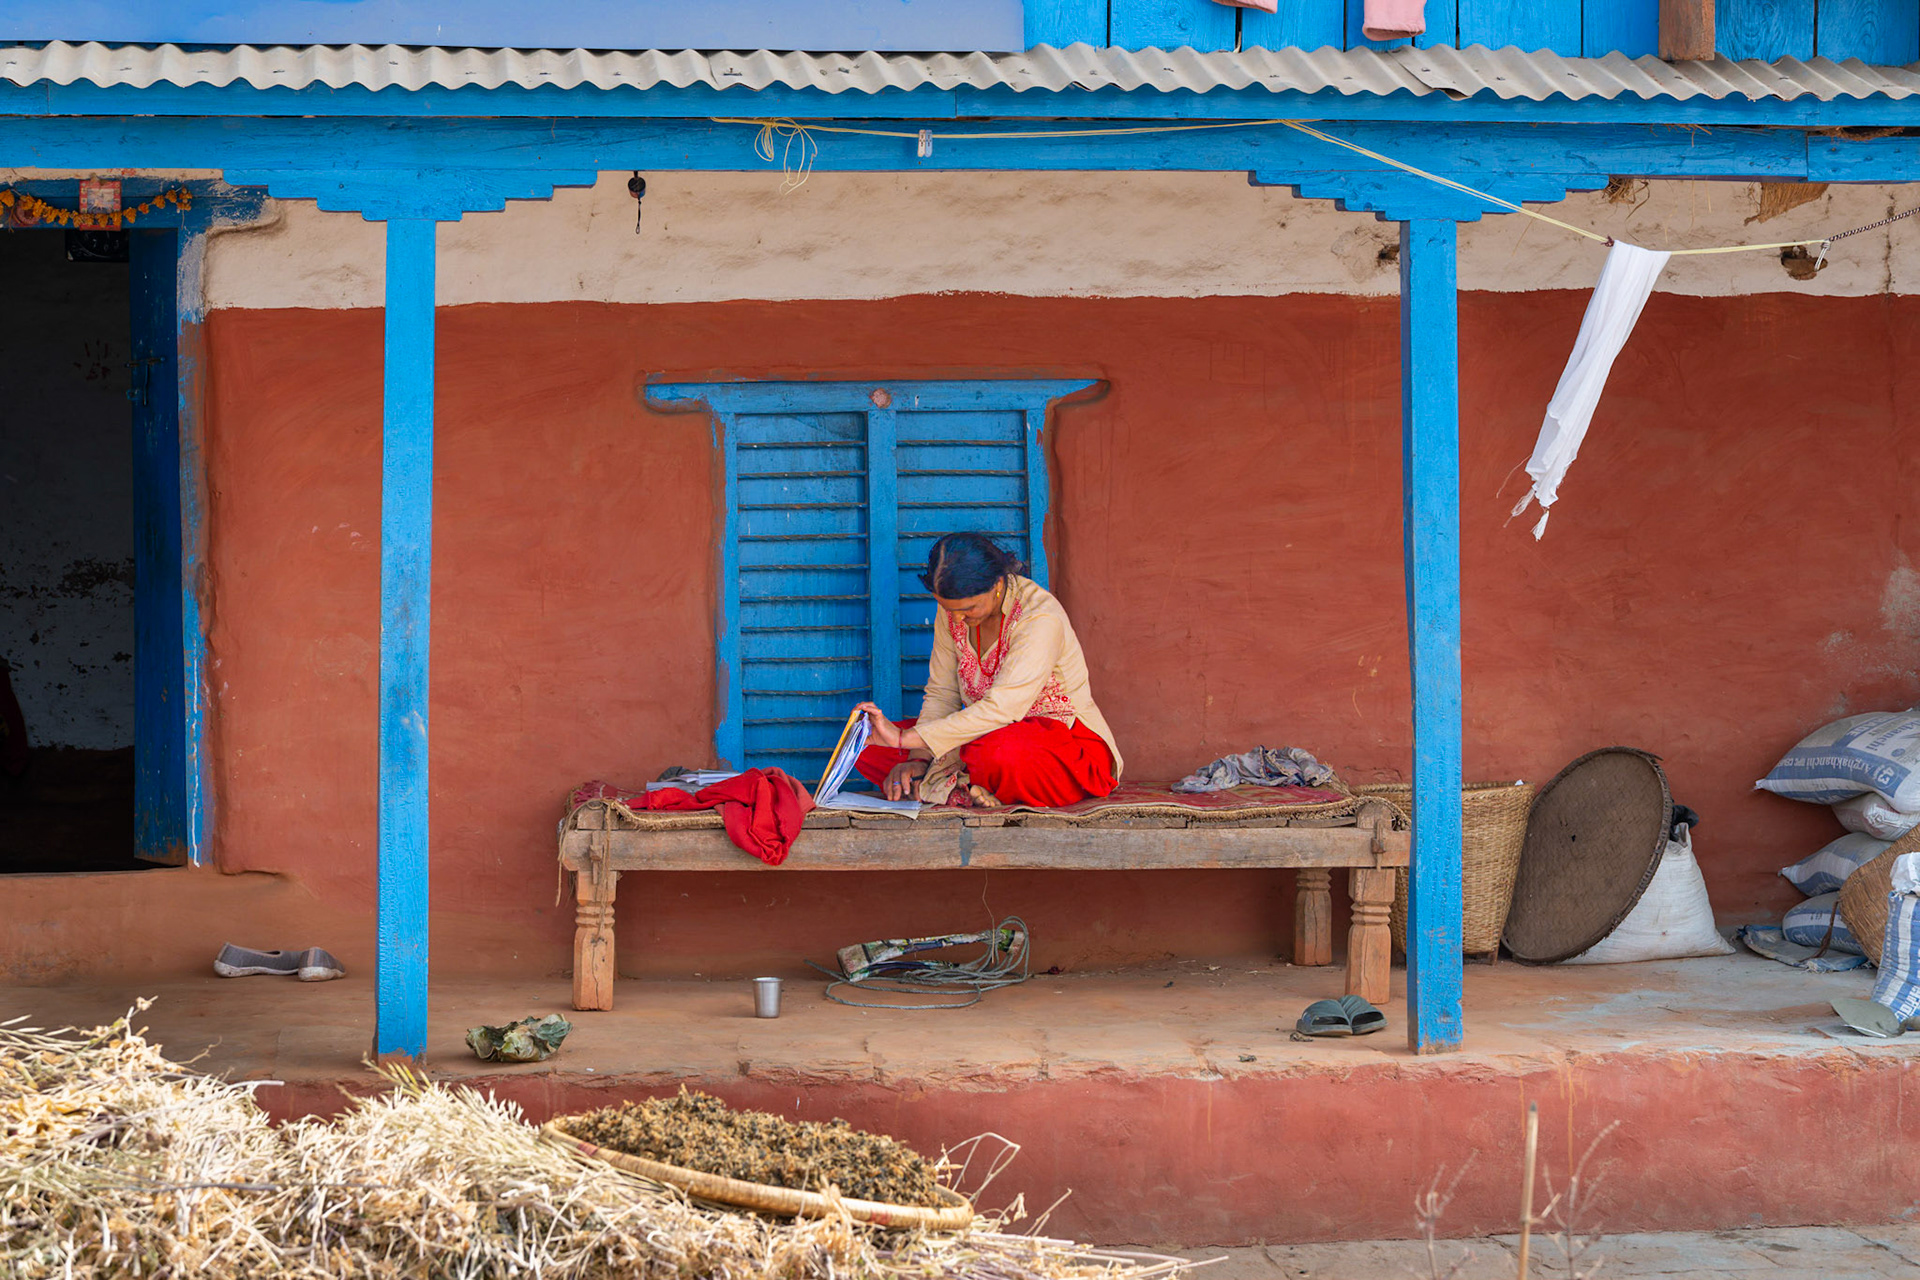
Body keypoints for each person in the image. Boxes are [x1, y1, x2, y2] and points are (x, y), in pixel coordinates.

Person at [853, 532, 1122, 808]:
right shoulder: (953, 609)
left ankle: (951, 786)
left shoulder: (1039, 616)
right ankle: (965, 786)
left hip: (1060, 746)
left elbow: (1002, 710)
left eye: (968, 609)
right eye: (949, 609)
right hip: (978, 736)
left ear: (996, 584)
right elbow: (942, 694)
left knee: (995, 753)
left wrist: (903, 738)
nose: (957, 619)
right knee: (866, 747)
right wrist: (917, 757)